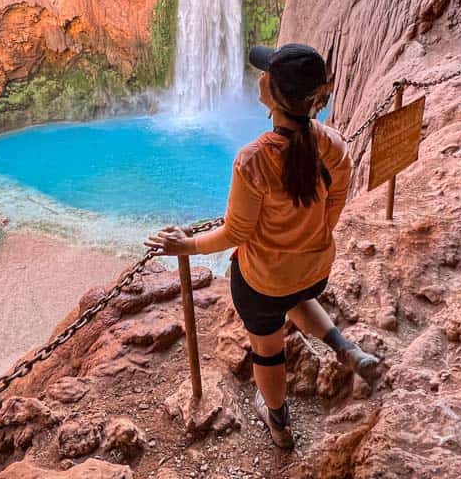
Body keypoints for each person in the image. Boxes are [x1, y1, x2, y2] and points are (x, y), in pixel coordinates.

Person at [145, 43, 379, 449]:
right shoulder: (334, 145)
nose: (260, 76)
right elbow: (338, 198)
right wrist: (314, 235)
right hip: (314, 270)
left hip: (263, 283)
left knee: (268, 349)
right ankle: (346, 349)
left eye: (266, 72)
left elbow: (235, 233)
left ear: (274, 91)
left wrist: (187, 246)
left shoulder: (253, 161)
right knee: (296, 294)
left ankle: (279, 424)